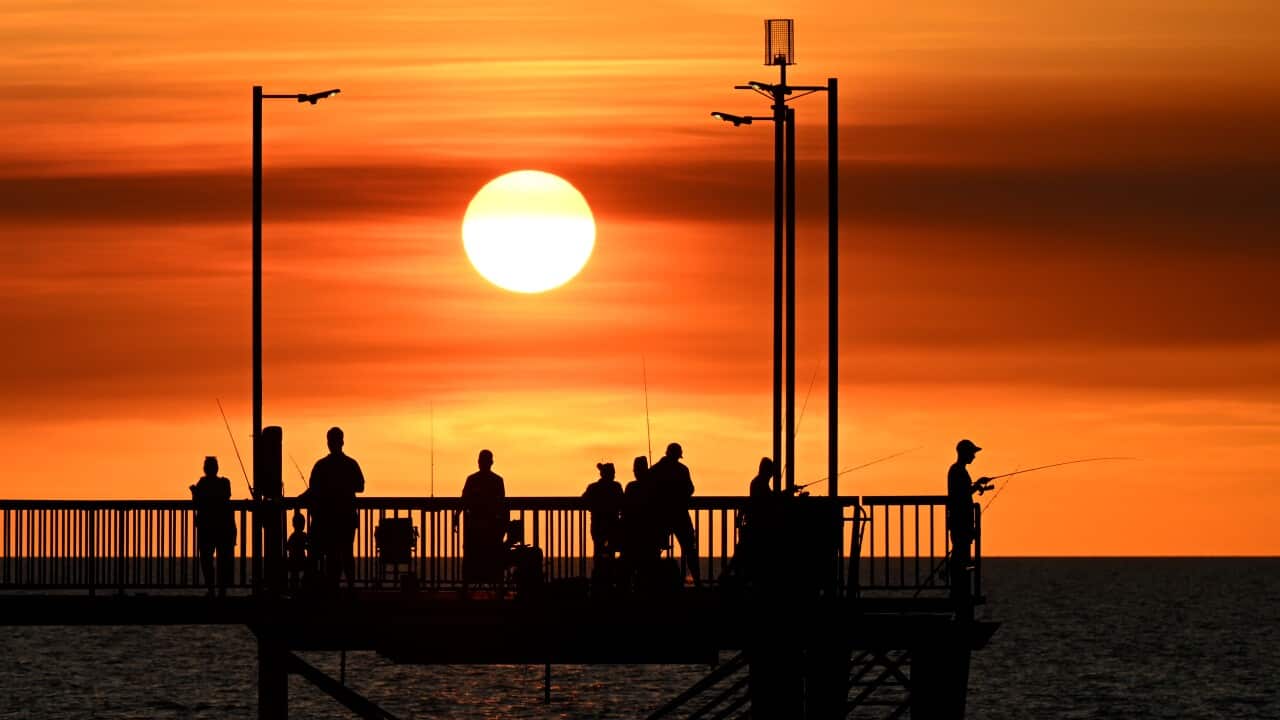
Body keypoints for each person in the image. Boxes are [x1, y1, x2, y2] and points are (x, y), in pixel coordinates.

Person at [300, 427, 365, 588]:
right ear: (342, 442)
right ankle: (350, 587)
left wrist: (298, 500)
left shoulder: (321, 466)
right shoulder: (350, 464)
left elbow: (312, 490)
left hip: (327, 520)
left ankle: (331, 588)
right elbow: (360, 486)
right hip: (347, 518)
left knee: (331, 555)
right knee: (347, 554)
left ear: (329, 443)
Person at [947, 439, 993, 608]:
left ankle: (959, 590)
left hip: (961, 520)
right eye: (972, 452)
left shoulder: (958, 471)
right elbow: (961, 494)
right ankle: (959, 591)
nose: (974, 456)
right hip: (960, 521)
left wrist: (977, 484)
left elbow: (963, 492)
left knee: (961, 556)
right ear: (964, 453)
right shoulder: (957, 470)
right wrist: (977, 485)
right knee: (960, 556)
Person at [453, 449, 507, 589]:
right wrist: (503, 526)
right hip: (490, 528)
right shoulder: (497, 480)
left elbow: (463, 500)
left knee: (471, 556)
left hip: (476, 528)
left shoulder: (473, 479)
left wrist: (456, 516)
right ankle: (498, 585)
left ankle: (467, 586)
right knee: (493, 556)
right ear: (491, 462)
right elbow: (502, 506)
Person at [649, 442, 700, 586]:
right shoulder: (682, 470)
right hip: (680, 515)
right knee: (690, 547)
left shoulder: (656, 469)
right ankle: (697, 580)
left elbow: (649, 489)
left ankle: (652, 581)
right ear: (678, 455)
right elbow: (690, 489)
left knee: (654, 549)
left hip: (661, 516)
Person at [190, 456, 235, 597]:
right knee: (223, 559)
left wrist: (195, 492)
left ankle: (211, 589)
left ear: (205, 469)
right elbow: (226, 496)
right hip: (223, 527)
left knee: (206, 559)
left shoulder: (202, 483)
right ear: (217, 468)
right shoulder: (224, 482)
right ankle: (222, 589)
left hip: (206, 527)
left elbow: (197, 502)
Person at [584, 462, 624, 560]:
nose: (614, 475)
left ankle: (598, 572)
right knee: (610, 552)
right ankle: (610, 573)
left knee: (598, 550)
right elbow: (622, 503)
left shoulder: (593, 487)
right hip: (612, 525)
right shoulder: (616, 487)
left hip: (597, 525)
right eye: (613, 473)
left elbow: (584, 501)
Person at [286, 510, 309, 591]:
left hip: (292, 560)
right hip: (301, 559)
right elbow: (308, 545)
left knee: (294, 575)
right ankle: (303, 584)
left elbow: (287, 546)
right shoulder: (304, 535)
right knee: (308, 568)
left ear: (293, 524)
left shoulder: (292, 536)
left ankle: (294, 587)